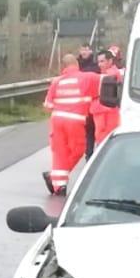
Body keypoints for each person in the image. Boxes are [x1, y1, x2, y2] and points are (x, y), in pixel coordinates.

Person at [42, 53, 99, 195]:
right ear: (77, 65)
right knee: (78, 150)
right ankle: (55, 178)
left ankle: (59, 185)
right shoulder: (88, 77)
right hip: (75, 121)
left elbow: (48, 105)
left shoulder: (56, 81)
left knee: (60, 152)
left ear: (63, 66)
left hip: (57, 120)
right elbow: (110, 80)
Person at [89, 48, 122, 150]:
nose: (99, 64)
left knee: (105, 141)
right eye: (98, 62)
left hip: (107, 112)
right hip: (102, 111)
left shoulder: (111, 74)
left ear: (110, 61)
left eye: (102, 61)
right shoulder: (105, 74)